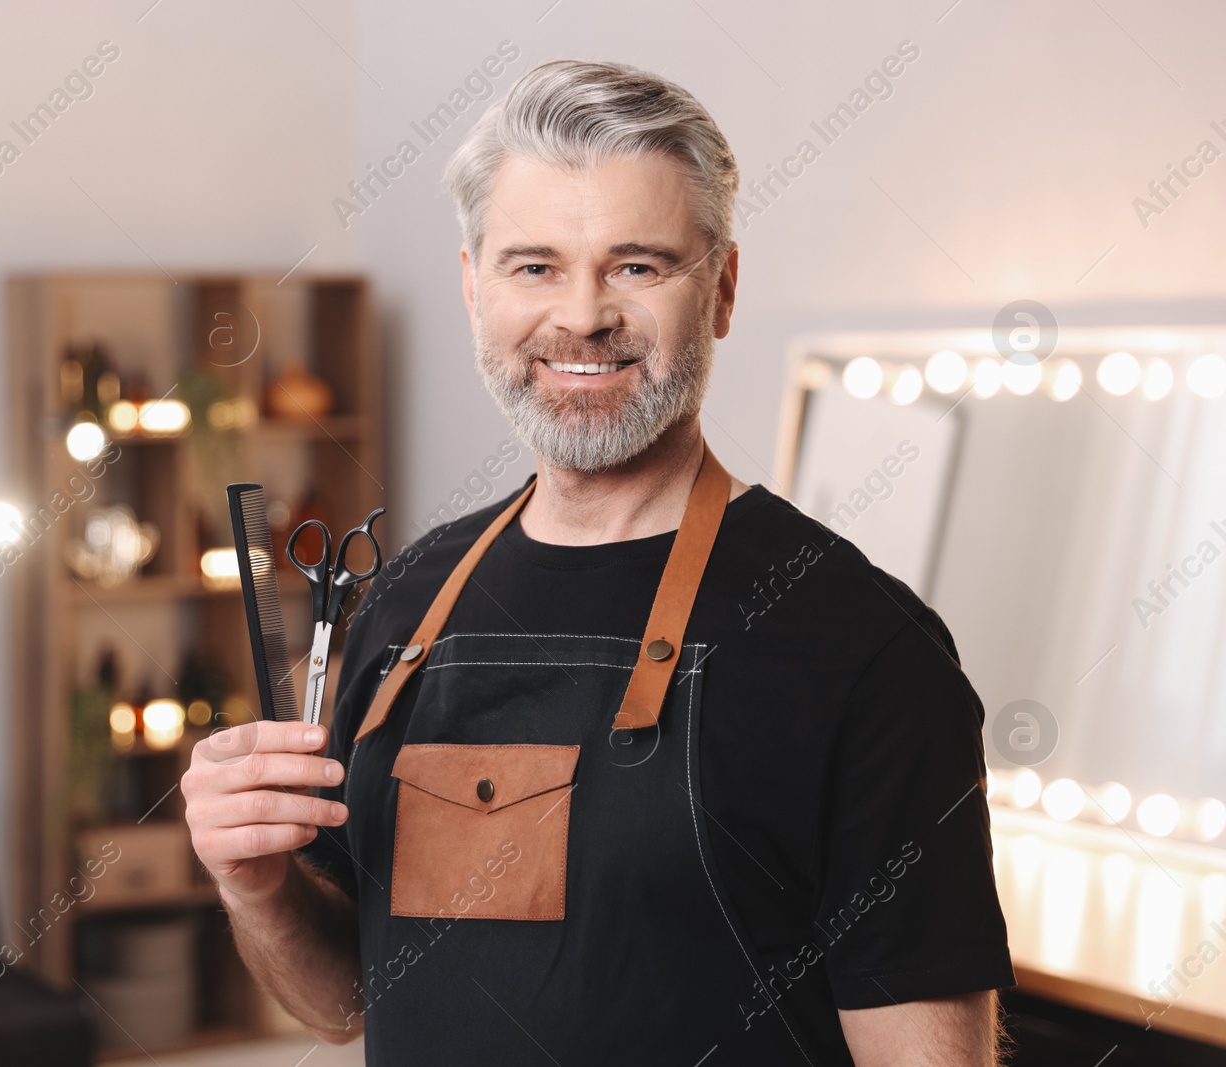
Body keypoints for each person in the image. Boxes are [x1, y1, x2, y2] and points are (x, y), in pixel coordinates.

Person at [182, 59, 1013, 1065]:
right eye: (533, 265)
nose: (581, 316)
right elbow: (341, 997)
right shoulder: (407, 600)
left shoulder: (860, 651)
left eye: (636, 265)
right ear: (473, 287)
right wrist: (256, 883)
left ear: (722, 288)